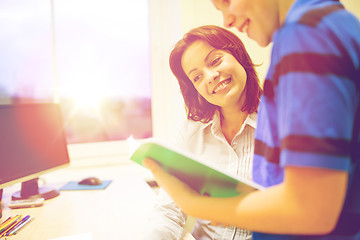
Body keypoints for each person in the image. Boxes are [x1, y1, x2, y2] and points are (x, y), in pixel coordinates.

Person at [143, 0, 360, 239]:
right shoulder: (334, 23)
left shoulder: (305, 36)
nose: (227, 20)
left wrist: (194, 203)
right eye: (196, 77)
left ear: (238, 56)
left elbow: (311, 208)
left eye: (227, 1)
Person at [144, 25, 262, 240]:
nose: (210, 77)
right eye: (196, 77)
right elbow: (169, 209)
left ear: (238, 55)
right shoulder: (190, 131)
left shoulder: (283, 123)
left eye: (215, 61)